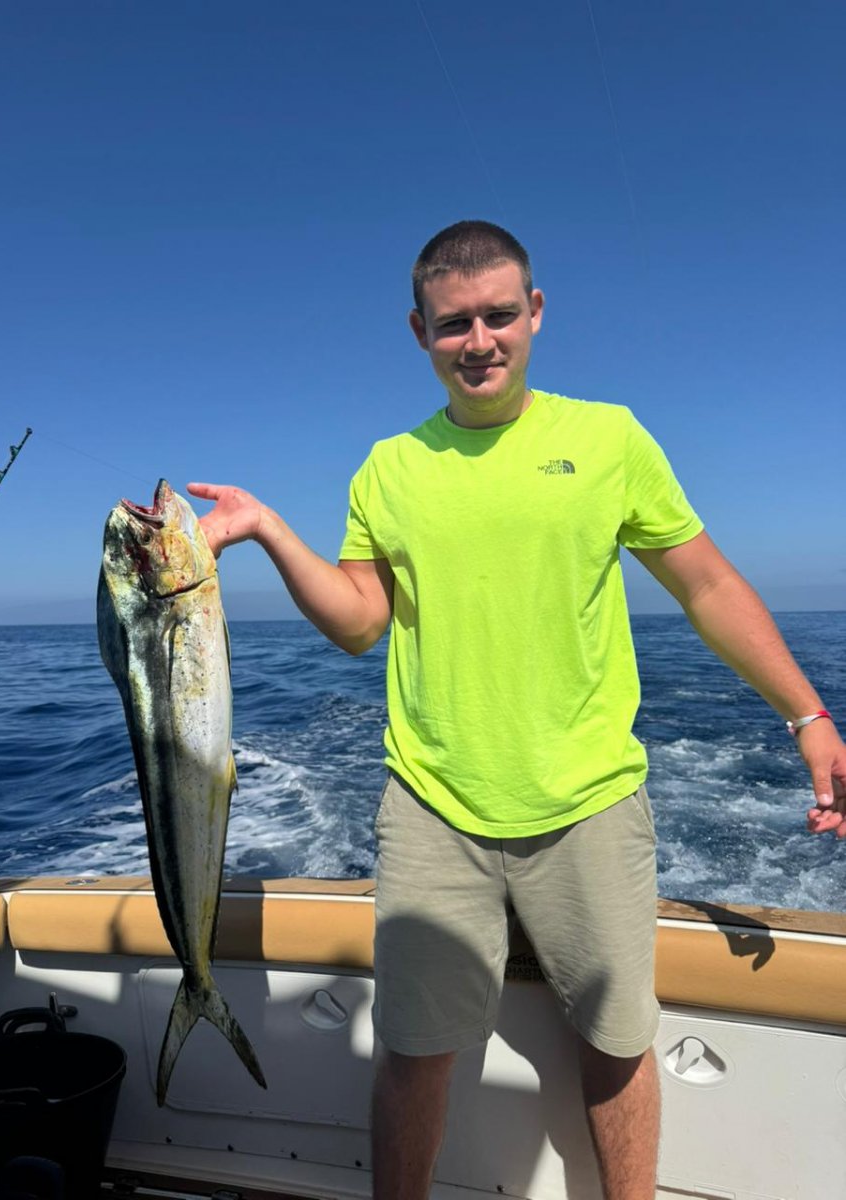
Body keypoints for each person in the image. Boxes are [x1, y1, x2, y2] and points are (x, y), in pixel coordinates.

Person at [188, 221, 846, 1200]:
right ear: (419, 332)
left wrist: (809, 717)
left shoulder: (609, 437)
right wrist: (271, 530)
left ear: (536, 314)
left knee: (619, 1044)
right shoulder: (388, 468)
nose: (480, 340)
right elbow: (362, 622)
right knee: (413, 1050)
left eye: (500, 315)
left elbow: (706, 586)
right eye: (455, 324)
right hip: (432, 805)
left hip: (591, 800)